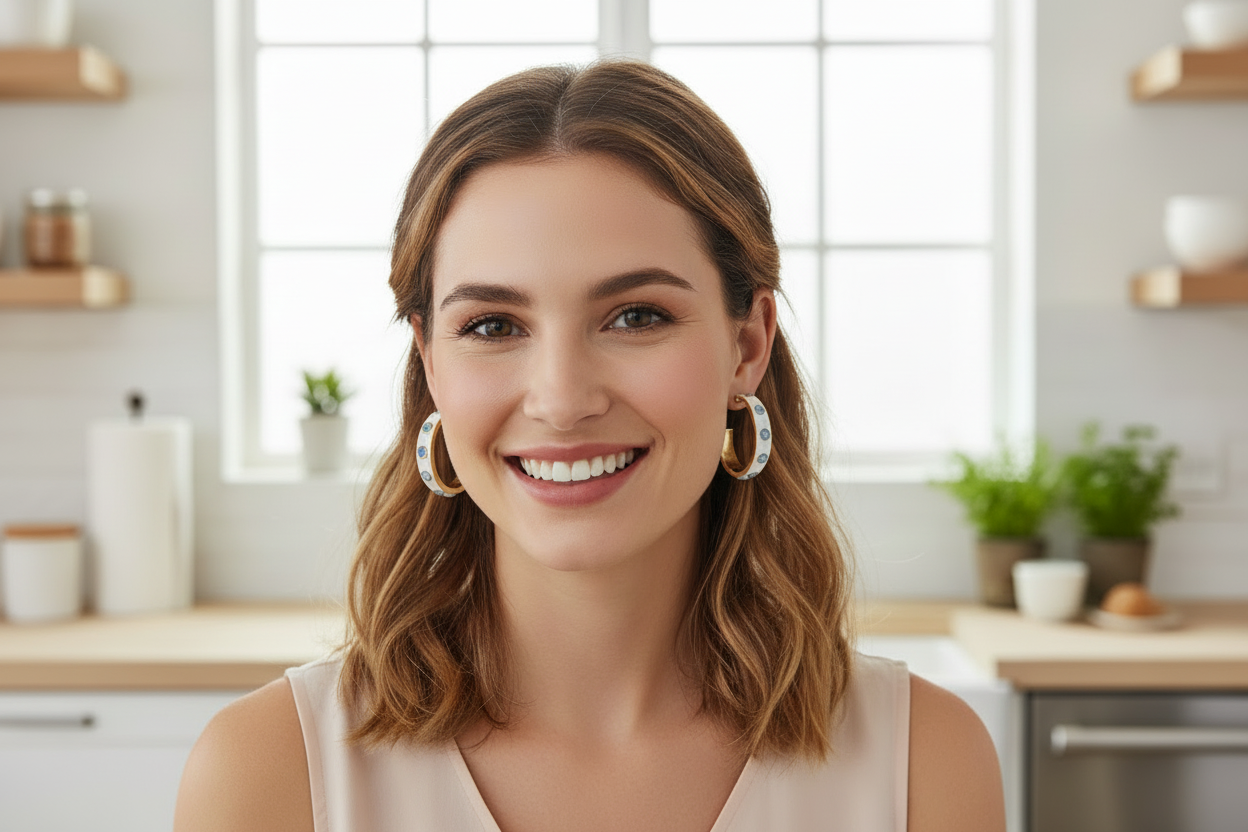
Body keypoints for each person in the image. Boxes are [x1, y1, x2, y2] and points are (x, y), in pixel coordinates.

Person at [174, 60, 1004, 832]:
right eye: (492, 326)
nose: (563, 401)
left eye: (636, 316)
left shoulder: (923, 765)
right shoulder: (268, 774)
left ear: (747, 344)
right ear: (429, 363)